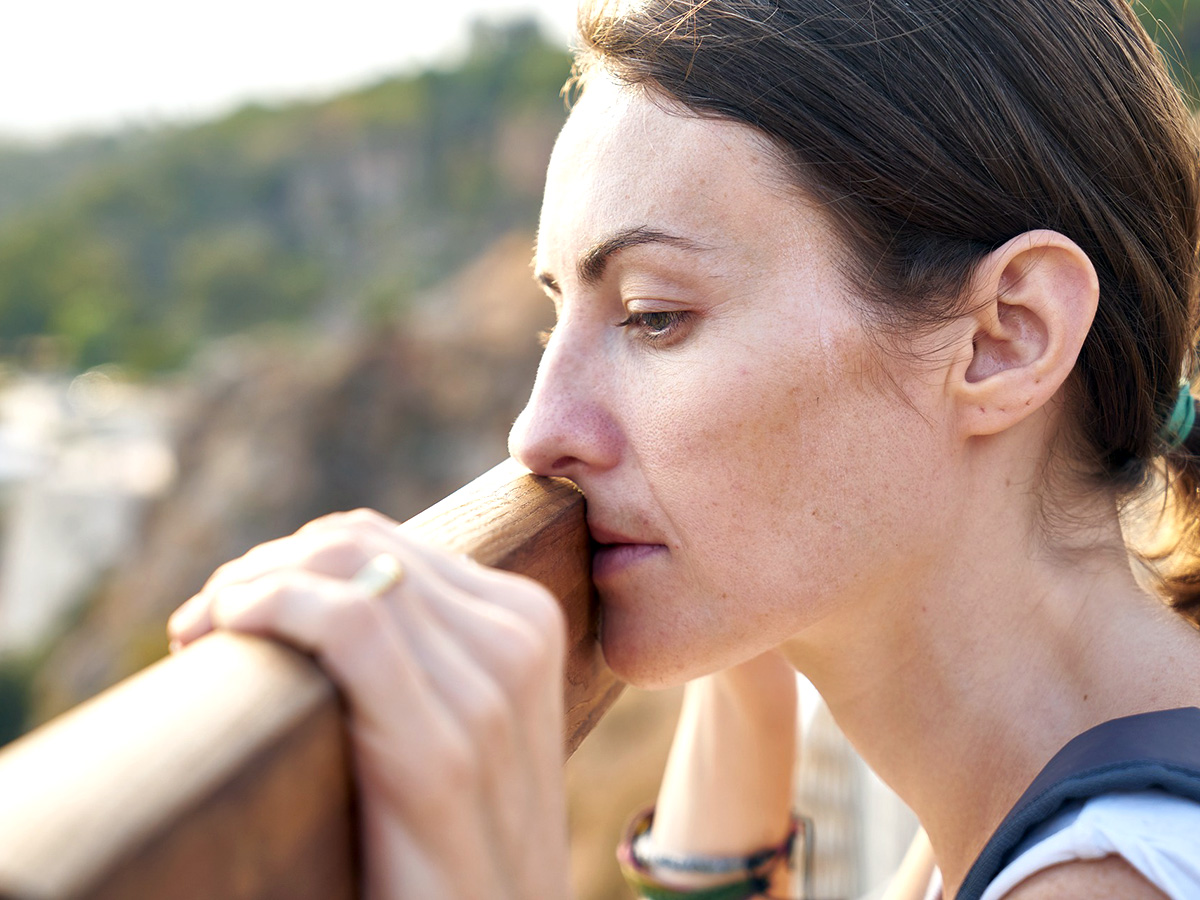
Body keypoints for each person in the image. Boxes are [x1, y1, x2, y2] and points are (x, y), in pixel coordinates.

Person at [167, 0, 1200, 897]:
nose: (536, 432)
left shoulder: (1106, 879)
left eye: (655, 316)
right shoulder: (1052, 788)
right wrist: (740, 675)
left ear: (1002, 337)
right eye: (554, 318)